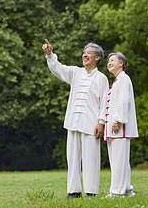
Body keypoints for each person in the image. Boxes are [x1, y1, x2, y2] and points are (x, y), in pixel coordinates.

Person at [42, 39, 109, 199]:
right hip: (73, 122)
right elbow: (58, 69)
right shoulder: (76, 72)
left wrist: (101, 122)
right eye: (84, 52)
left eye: (89, 53)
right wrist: (50, 55)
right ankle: (73, 191)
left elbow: (105, 102)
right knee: (72, 158)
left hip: (91, 124)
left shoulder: (102, 78)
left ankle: (91, 192)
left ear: (97, 57)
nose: (85, 55)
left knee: (91, 159)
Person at [104, 52, 138, 197]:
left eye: (113, 60)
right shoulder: (118, 80)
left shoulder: (124, 78)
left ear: (121, 63)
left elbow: (124, 101)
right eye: (108, 61)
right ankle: (126, 189)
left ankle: (117, 191)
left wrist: (117, 120)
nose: (109, 63)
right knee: (120, 160)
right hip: (114, 127)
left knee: (119, 160)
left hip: (118, 127)